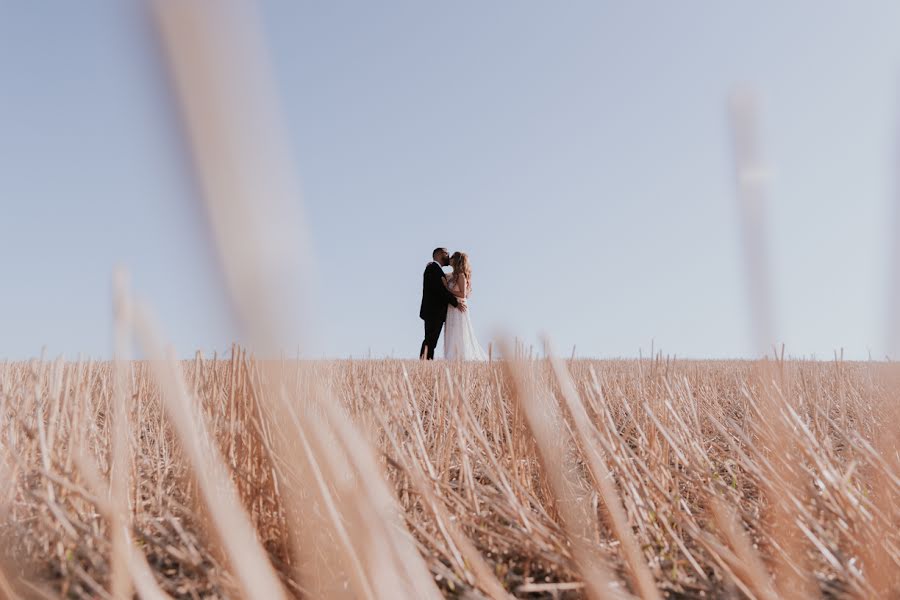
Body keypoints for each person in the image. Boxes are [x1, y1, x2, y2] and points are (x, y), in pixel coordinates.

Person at [419, 247, 466, 360]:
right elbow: (440, 290)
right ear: (441, 254)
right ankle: (425, 362)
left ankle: (426, 361)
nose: (449, 257)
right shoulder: (433, 268)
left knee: (431, 339)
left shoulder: (436, 269)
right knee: (431, 339)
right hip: (433, 311)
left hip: (435, 312)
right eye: (447, 254)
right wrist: (456, 303)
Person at [443, 251, 488, 361]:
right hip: (451, 307)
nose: (450, 258)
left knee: (459, 330)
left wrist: (447, 289)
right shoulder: (450, 276)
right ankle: (451, 356)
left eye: (453, 257)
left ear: (457, 260)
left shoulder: (461, 276)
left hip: (459, 306)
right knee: (450, 330)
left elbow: (463, 294)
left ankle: (460, 356)